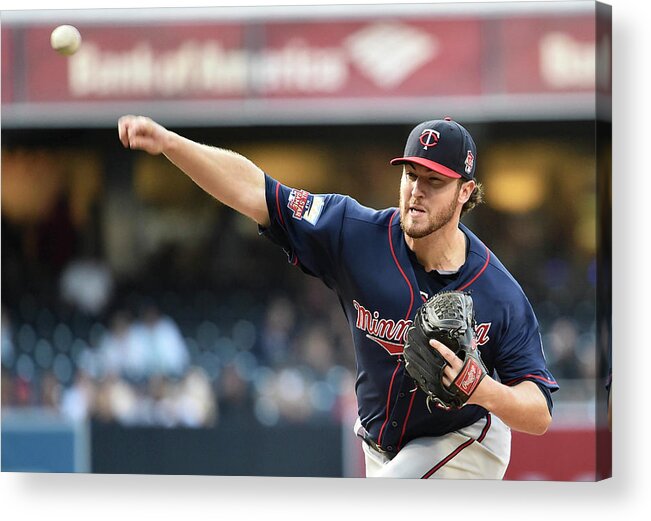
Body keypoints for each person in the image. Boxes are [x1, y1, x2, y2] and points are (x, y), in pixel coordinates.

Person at [117, 115, 558, 479]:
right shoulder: (354, 233)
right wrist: (171, 143)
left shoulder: (496, 290)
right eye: (410, 174)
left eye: (435, 181)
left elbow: (538, 412)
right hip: (381, 448)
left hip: (463, 443)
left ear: (465, 191)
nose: (416, 191)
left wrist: (481, 389)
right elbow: (259, 192)